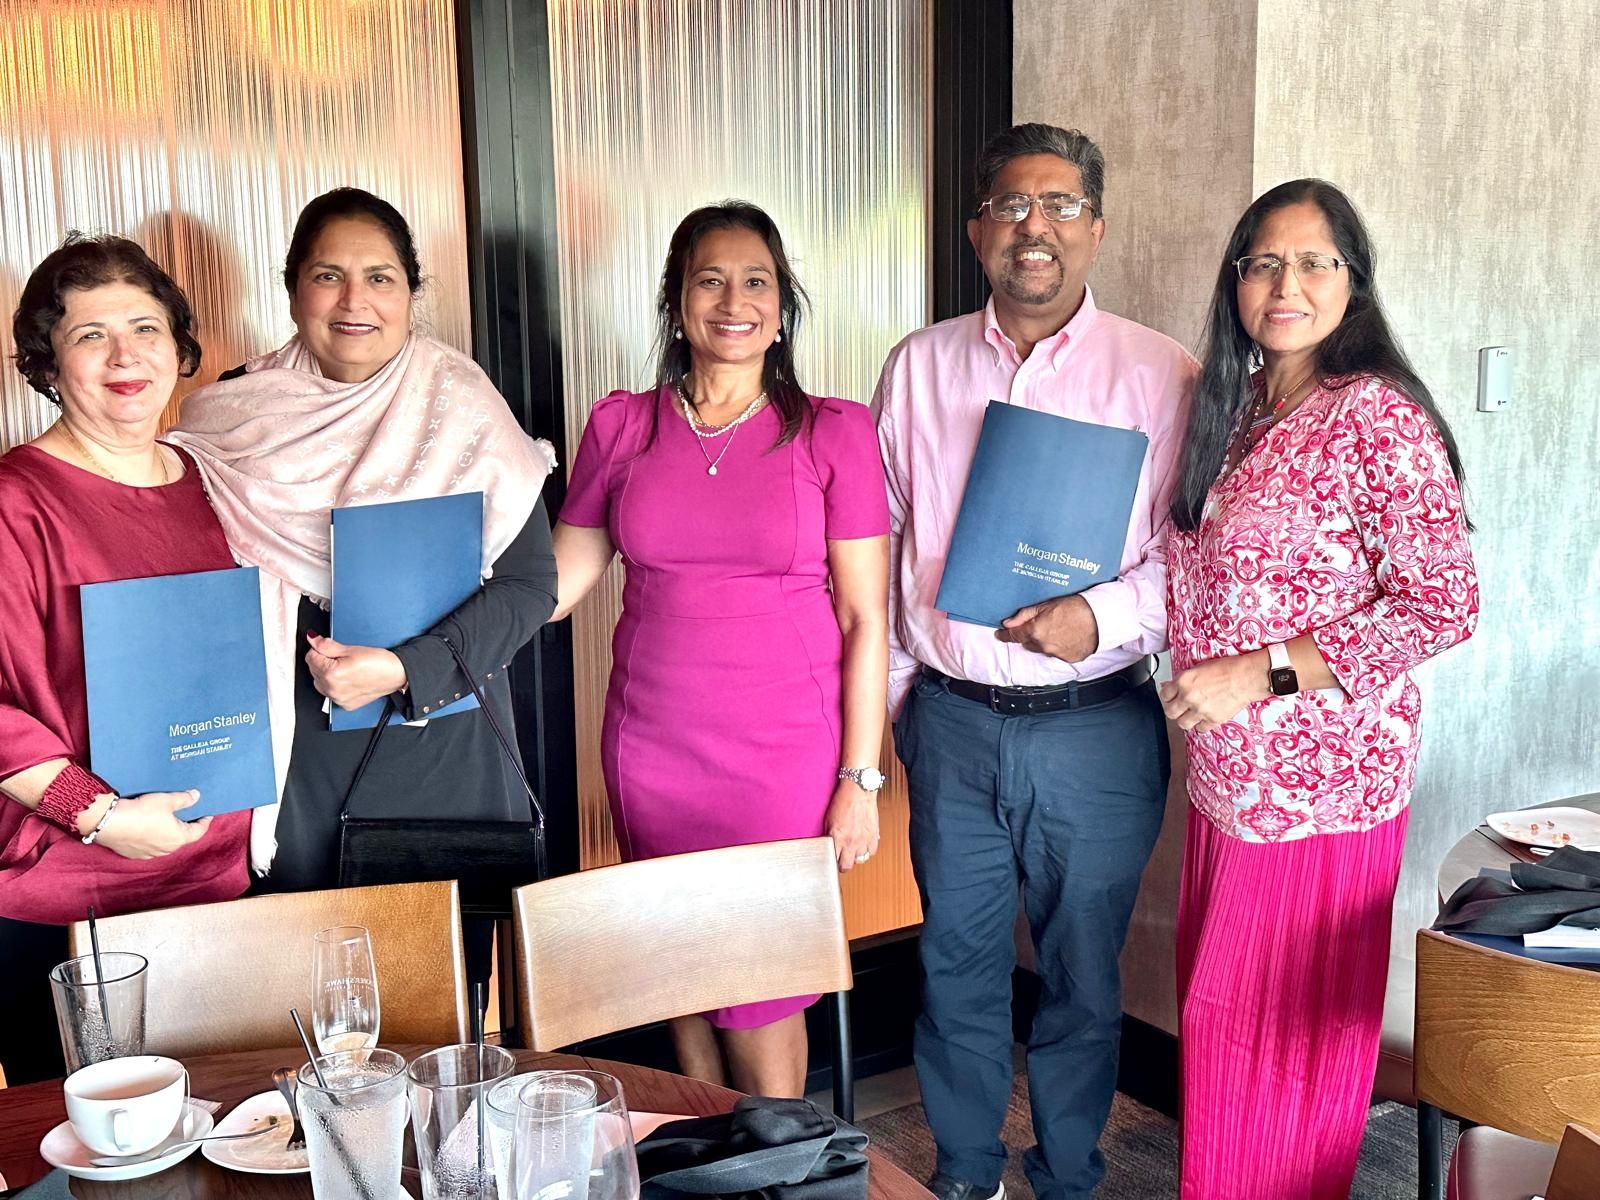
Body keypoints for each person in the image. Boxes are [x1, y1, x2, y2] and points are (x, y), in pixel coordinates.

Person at [874, 124, 1196, 1200]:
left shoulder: (1163, 374)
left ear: (1096, 229)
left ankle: (1067, 1174)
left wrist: (1099, 617)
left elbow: (1197, 559)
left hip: (1095, 728)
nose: (1034, 227)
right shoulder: (917, 368)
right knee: (954, 965)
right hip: (953, 723)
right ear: (977, 231)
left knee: (1081, 974)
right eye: (1011, 205)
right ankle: (965, 1171)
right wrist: (895, 709)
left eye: (1060, 205)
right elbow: (881, 547)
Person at [1159, 179, 1478, 1198]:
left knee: (1278, 1052)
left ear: (1353, 281)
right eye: (1262, 262)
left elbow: (1442, 605)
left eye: (1311, 262)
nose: (1283, 284)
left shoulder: (1375, 417)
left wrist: (1258, 672)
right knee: (1223, 1038)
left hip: (1321, 796)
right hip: (1227, 787)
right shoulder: (1239, 408)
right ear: (1236, 281)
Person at [168, 189, 558, 979]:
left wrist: (406, 669)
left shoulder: (462, 405)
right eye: (328, 276)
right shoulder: (231, 415)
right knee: (304, 999)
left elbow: (528, 588)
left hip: (441, 743)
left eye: (380, 278)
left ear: (411, 292)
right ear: (292, 289)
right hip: (296, 758)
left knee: (437, 998)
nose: (355, 301)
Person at [551, 201, 889, 1098]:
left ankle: (774, 1154)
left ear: (782, 308)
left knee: (760, 982)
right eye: (710, 280)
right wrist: (430, 628)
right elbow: (557, 583)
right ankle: (712, 1146)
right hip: (651, 747)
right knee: (677, 958)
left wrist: (860, 780)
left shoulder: (835, 431)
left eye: (756, 282)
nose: (734, 301)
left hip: (781, 755)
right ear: (676, 302)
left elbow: (866, 618)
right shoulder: (622, 427)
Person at [0, 236, 251, 1083]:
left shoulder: (210, 483)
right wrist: (100, 817)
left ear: (179, 348)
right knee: (89, 1141)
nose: (125, 356)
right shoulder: (15, 500)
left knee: (227, 1127)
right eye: (90, 335)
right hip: (69, 894)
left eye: (145, 329)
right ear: (47, 364)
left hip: (219, 880)